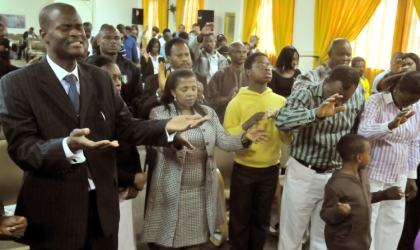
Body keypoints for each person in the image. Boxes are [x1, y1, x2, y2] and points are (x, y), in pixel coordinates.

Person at [0, 3, 210, 249]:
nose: (77, 33)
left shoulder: (99, 78)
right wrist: (67, 146)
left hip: (102, 207)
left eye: (79, 27)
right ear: (44, 35)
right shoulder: (17, 83)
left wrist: (166, 128)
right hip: (54, 211)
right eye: (66, 27)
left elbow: (125, 125)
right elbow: (23, 148)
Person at [141, 69, 268, 250]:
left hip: (201, 191)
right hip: (169, 191)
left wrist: (245, 137)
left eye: (194, 88)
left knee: (196, 243)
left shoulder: (207, 113)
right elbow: (158, 145)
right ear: (172, 91)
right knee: (167, 240)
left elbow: (223, 140)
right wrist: (175, 140)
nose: (191, 93)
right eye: (184, 89)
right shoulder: (160, 113)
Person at [276, 65, 365, 250]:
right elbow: (282, 121)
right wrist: (314, 114)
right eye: (334, 95)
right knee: (292, 236)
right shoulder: (305, 93)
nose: (338, 101)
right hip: (304, 173)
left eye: (344, 99)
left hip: (335, 177)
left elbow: (356, 130)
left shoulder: (357, 96)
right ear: (325, 81)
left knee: (325, 237)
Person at [224, 52, 292, 250]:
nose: (267, 68)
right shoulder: (237, 102)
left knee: (262, 219)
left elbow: (287, 139)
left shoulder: (280, 101)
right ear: (248, 72)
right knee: (240, 219)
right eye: (261, 65)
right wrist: (247, 125)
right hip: (245, 169)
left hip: (271, 169)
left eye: (269, 65)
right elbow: (227, 138)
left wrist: (284, 124)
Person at [85, 55, 145, 250]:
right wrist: (130, 178)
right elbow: (95, 160)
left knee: (125, 239)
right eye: (112, 78)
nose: (118, 83)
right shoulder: (86, 112)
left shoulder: (121, 107)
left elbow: (131, 146)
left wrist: (135, 178)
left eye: (120, 78)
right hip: (102, 191)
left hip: (123, 189)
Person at [358, 71, 420, 250]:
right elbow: (363, 131)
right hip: (373, 172)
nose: (408, 105)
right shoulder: (376, 101)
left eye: (412, 102)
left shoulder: (417, 105)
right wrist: (390, 126)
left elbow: (414, 141)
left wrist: (411, 175)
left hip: (399, 174)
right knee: (368, 223)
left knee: (393, 224)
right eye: (406, 100)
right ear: (398, 87)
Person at [321, 134, 403, 250]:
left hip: (361, 242)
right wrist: (338, 211)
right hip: (342, 245)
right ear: (359, 158)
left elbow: (363, 198)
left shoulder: (363, 175)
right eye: (369, 154)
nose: (370, 157)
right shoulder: (335, 184)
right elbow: (325, 214)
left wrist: (384, 194)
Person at [138, 38, 208, 120]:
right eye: (179, 55)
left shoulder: (200, 78)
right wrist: (160, 93)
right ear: (168, 58)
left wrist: (200, 97)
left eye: (187, 54)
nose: (185, 59)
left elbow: (209, 111)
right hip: (165, 128)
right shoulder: (153, 80)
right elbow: (142, 112)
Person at [90, 24, 143, 116]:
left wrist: (126, 113)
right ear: (98, 41)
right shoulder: (89, 65)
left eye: (117, 38)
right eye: (107, 38)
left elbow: (138, 97)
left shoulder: (131, 68)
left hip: (126, 117)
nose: (113, 41)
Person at [208, 42, 248, 123]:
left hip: (247, 118)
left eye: (244, 52)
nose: (242, 55)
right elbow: (211, 100)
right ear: (229, 54)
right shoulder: (220, 75)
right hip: (224, 120)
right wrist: (228, 98)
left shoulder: (251, 74)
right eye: (238, 52)